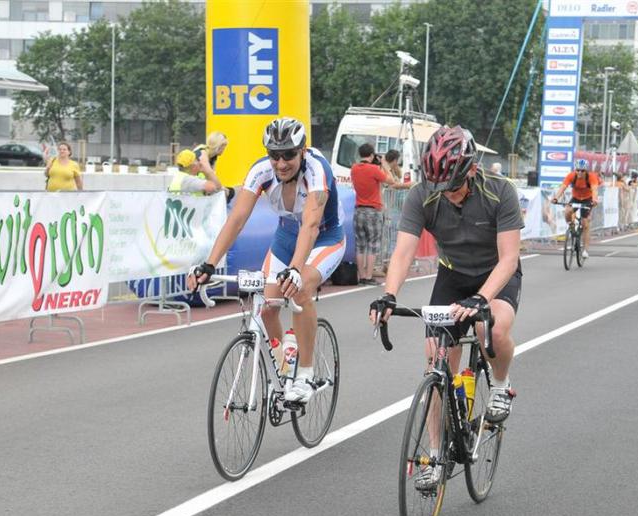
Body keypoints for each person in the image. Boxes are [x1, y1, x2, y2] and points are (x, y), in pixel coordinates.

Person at [369, 126, 523, 461]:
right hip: (453, 275)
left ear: (472, 170)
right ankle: (435, 454)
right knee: (435, 360)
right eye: (439, 186)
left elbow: (509, 258)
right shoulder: (422, 194)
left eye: (452, 186)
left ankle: (500, 384)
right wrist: (389, 295)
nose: (446, 194)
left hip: (495, 273)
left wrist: (481, 298)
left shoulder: (500, 191)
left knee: (490, 328)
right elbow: (403, 252)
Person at [188, 117, 345, 404]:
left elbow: (311, 226)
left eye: (289, 155)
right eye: (274, 155)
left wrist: (295, 269)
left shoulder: (316, 170)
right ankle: (285, 369)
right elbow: (236, 219)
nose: (281, 163)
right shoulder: (261, 171)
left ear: (303, 151)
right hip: (286, 237)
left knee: (299, 289)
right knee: (268, 306)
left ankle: (305, 375)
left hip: (325, 237)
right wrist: (209, 264)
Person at [350, 142, 411, 285]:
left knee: (360, 245)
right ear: (372, 155)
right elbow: (391, 180)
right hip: (373, 210)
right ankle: (368, 276)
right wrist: (384, 164)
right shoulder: (373, 169)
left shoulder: (354, 168)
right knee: (373, 244)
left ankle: (361, 276)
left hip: (358, 210)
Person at [551, 158, 600, 259]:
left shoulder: (592, 177)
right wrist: (556, 198)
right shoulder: (571, 176)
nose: (580, 173)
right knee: (567, 211)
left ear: (586, 171)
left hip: (587, 199)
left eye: (582, 171)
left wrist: (595, 200)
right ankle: (571, 226)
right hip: (576, 198)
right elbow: (563, 187)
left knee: (585, 223)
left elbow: (594, 190)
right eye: (578, 170)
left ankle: (585, 250)